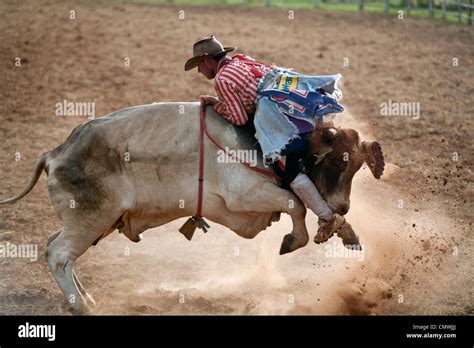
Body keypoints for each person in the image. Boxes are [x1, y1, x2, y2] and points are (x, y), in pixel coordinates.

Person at [184, 35, 346, 243]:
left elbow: (239, 118)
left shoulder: (222, 79)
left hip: (280, 119)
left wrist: (216, 105)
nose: (199, 71)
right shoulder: (241, 60)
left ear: (207, 60)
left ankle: (327, 218)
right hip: (296, 104)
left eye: (199, 65)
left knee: (288, 171)